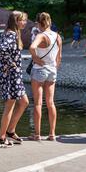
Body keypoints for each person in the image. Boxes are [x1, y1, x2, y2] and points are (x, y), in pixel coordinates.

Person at [0, 11, 29, 148]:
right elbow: (1, 49)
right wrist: (10, 63)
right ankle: (1, 137)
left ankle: (10, 130)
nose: (24, 22)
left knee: (24, 102)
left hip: (13, 74)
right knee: (10, 105)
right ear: (16, 21)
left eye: (25, 20)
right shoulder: (11, 34)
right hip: (11, 75)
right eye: (22, 20)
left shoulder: (7, 33)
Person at [29, 12, 62, 141]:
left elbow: (32, 47)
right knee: (50, 103)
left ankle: (37, 134)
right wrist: (54, 67)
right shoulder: (57, 36)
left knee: (38, 104)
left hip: (39, 71)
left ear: (38, 23)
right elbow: (59, 57)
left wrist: (36, 58)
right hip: (52, 71)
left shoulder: (41, 36)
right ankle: (52, 134)